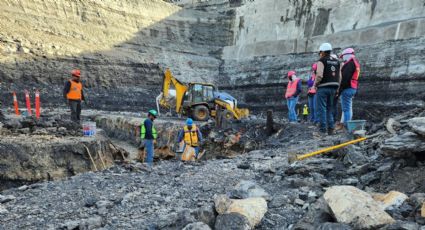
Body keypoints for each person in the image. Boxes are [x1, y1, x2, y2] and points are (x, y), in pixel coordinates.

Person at [313, 43, 341, 135]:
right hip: (334, 87)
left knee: (322, 109)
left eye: (320, 52)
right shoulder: (337, 61)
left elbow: (319, 75)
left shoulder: (321, 60)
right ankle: (331, 129)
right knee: (330, 108)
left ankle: (322, 130)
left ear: (323, 52)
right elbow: (340, 76)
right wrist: (337, 88)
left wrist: (315, 85)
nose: (320, 54)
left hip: (323, 87)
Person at [338, 48, 361, 129]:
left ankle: (347, 126)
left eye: (343, 56)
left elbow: (345, 79)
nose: (343, 59)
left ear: (347, 55)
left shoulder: (350, 64)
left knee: (346, 109)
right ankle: (348, 125)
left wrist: (339, 90)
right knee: (349, 108)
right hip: (353, 87)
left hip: (347, 89)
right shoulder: (356, 63)